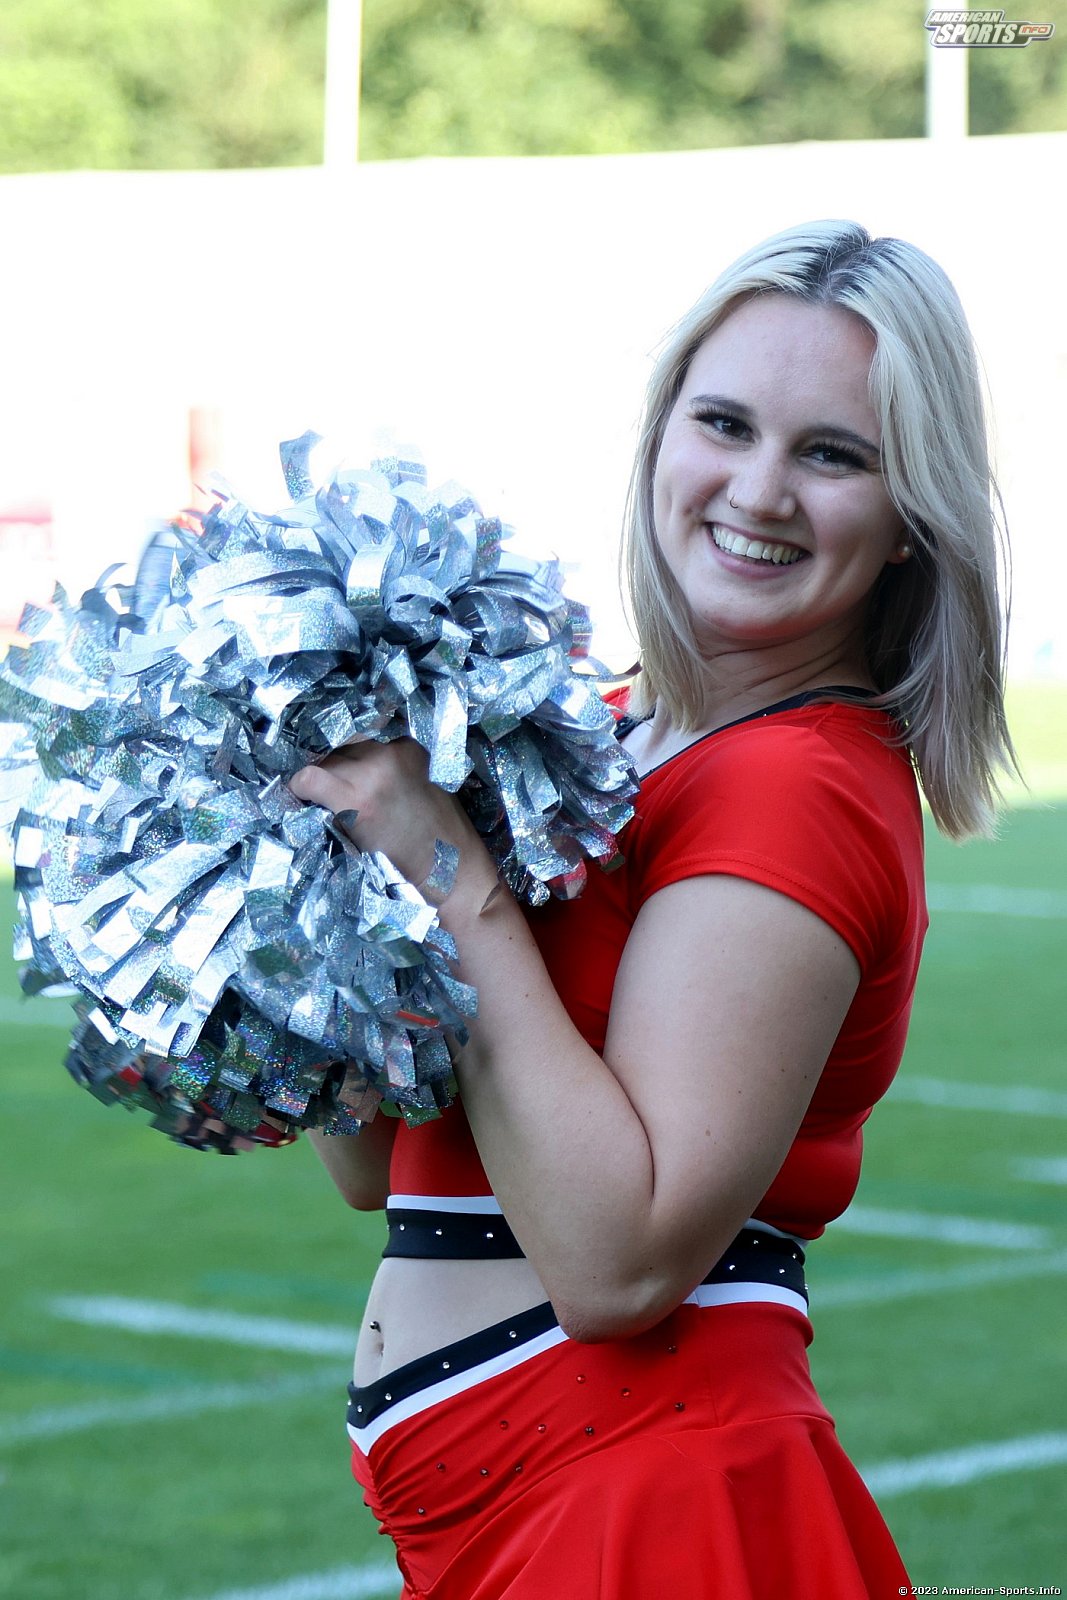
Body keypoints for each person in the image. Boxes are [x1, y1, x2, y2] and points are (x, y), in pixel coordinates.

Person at [290, 219, 1016, 1599]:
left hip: (655, 1502)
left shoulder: (796, 785)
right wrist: (307, 894)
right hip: (525, 1500)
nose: (760, 491)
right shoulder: (607, 732)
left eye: (833, 455)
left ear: (911, 518)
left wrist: (452, 874)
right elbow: (380, 1165)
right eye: (725, 424)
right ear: (661, 433)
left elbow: (619, 1266)